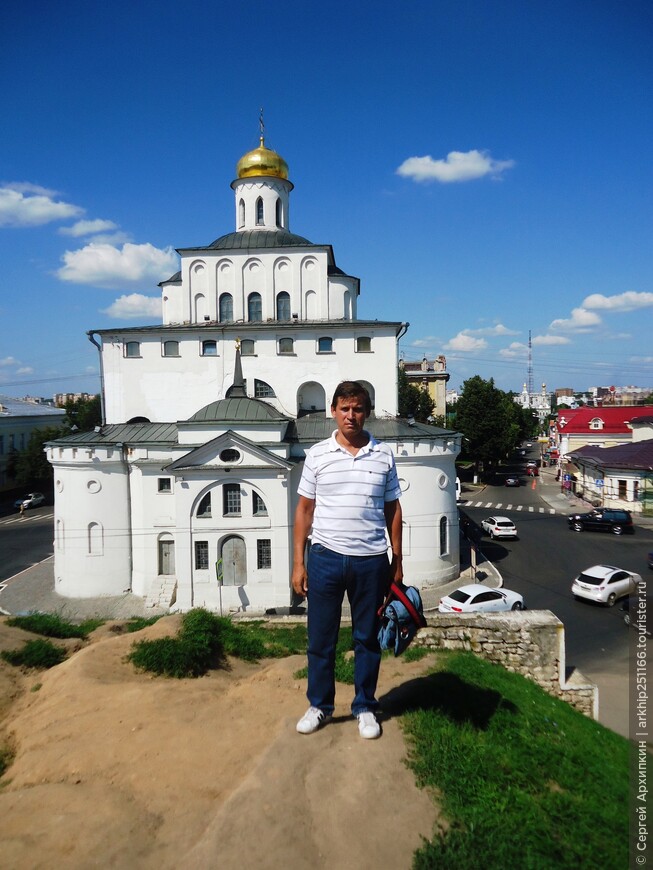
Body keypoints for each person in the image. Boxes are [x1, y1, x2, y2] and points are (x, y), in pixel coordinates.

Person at [292, 381, 403, 739]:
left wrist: (396, 560)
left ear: (366, 412)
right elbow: (304, 511)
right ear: (333, 411)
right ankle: (320, 706)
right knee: (320, 639)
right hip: (324, 558)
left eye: (357, 409)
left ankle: (365, 706)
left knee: (366, 639)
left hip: (370, 561)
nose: (350, 416)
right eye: (344, 409)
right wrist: (299, 562)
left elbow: (393, 509)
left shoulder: (383, 455)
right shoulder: (317, 455)